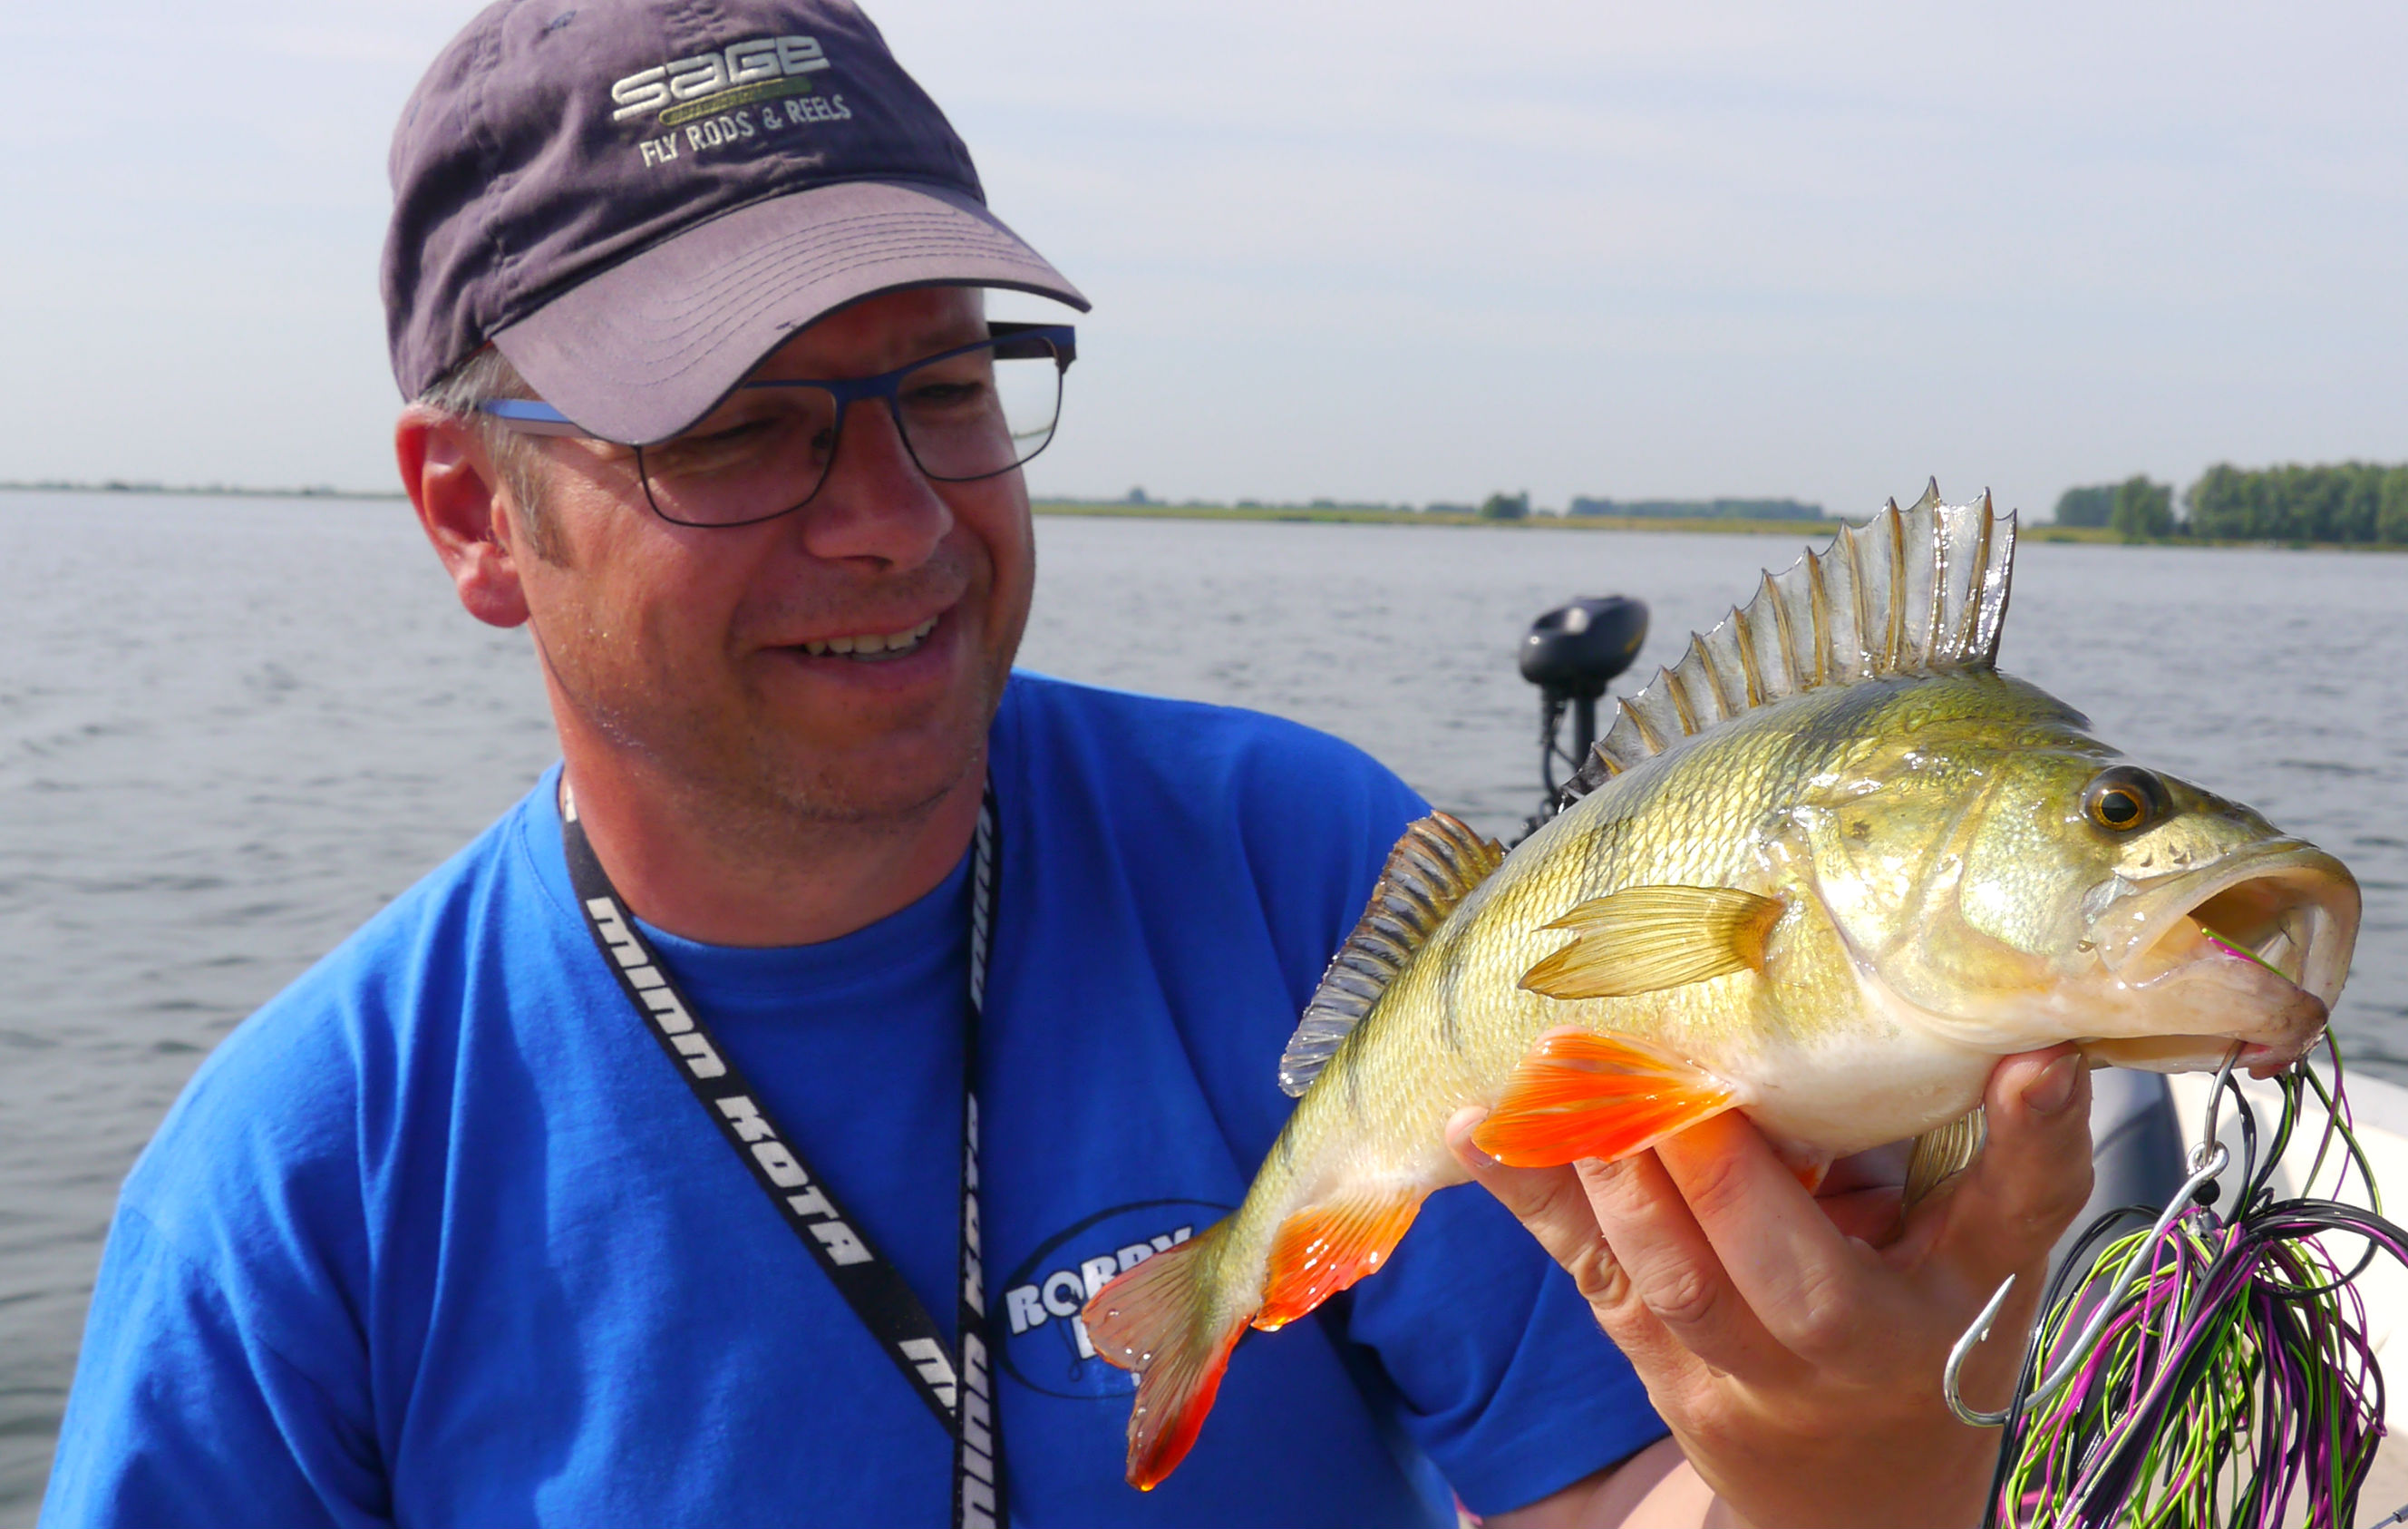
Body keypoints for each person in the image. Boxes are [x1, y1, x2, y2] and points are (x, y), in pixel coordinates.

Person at [40, 0, 2094, 1524]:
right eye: (737, 430)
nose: (896, 519)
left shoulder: (1292, 868)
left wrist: (1850, 1466)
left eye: (945, 384)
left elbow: (1616, 1492)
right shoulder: (297, 1190)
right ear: (472, 515)